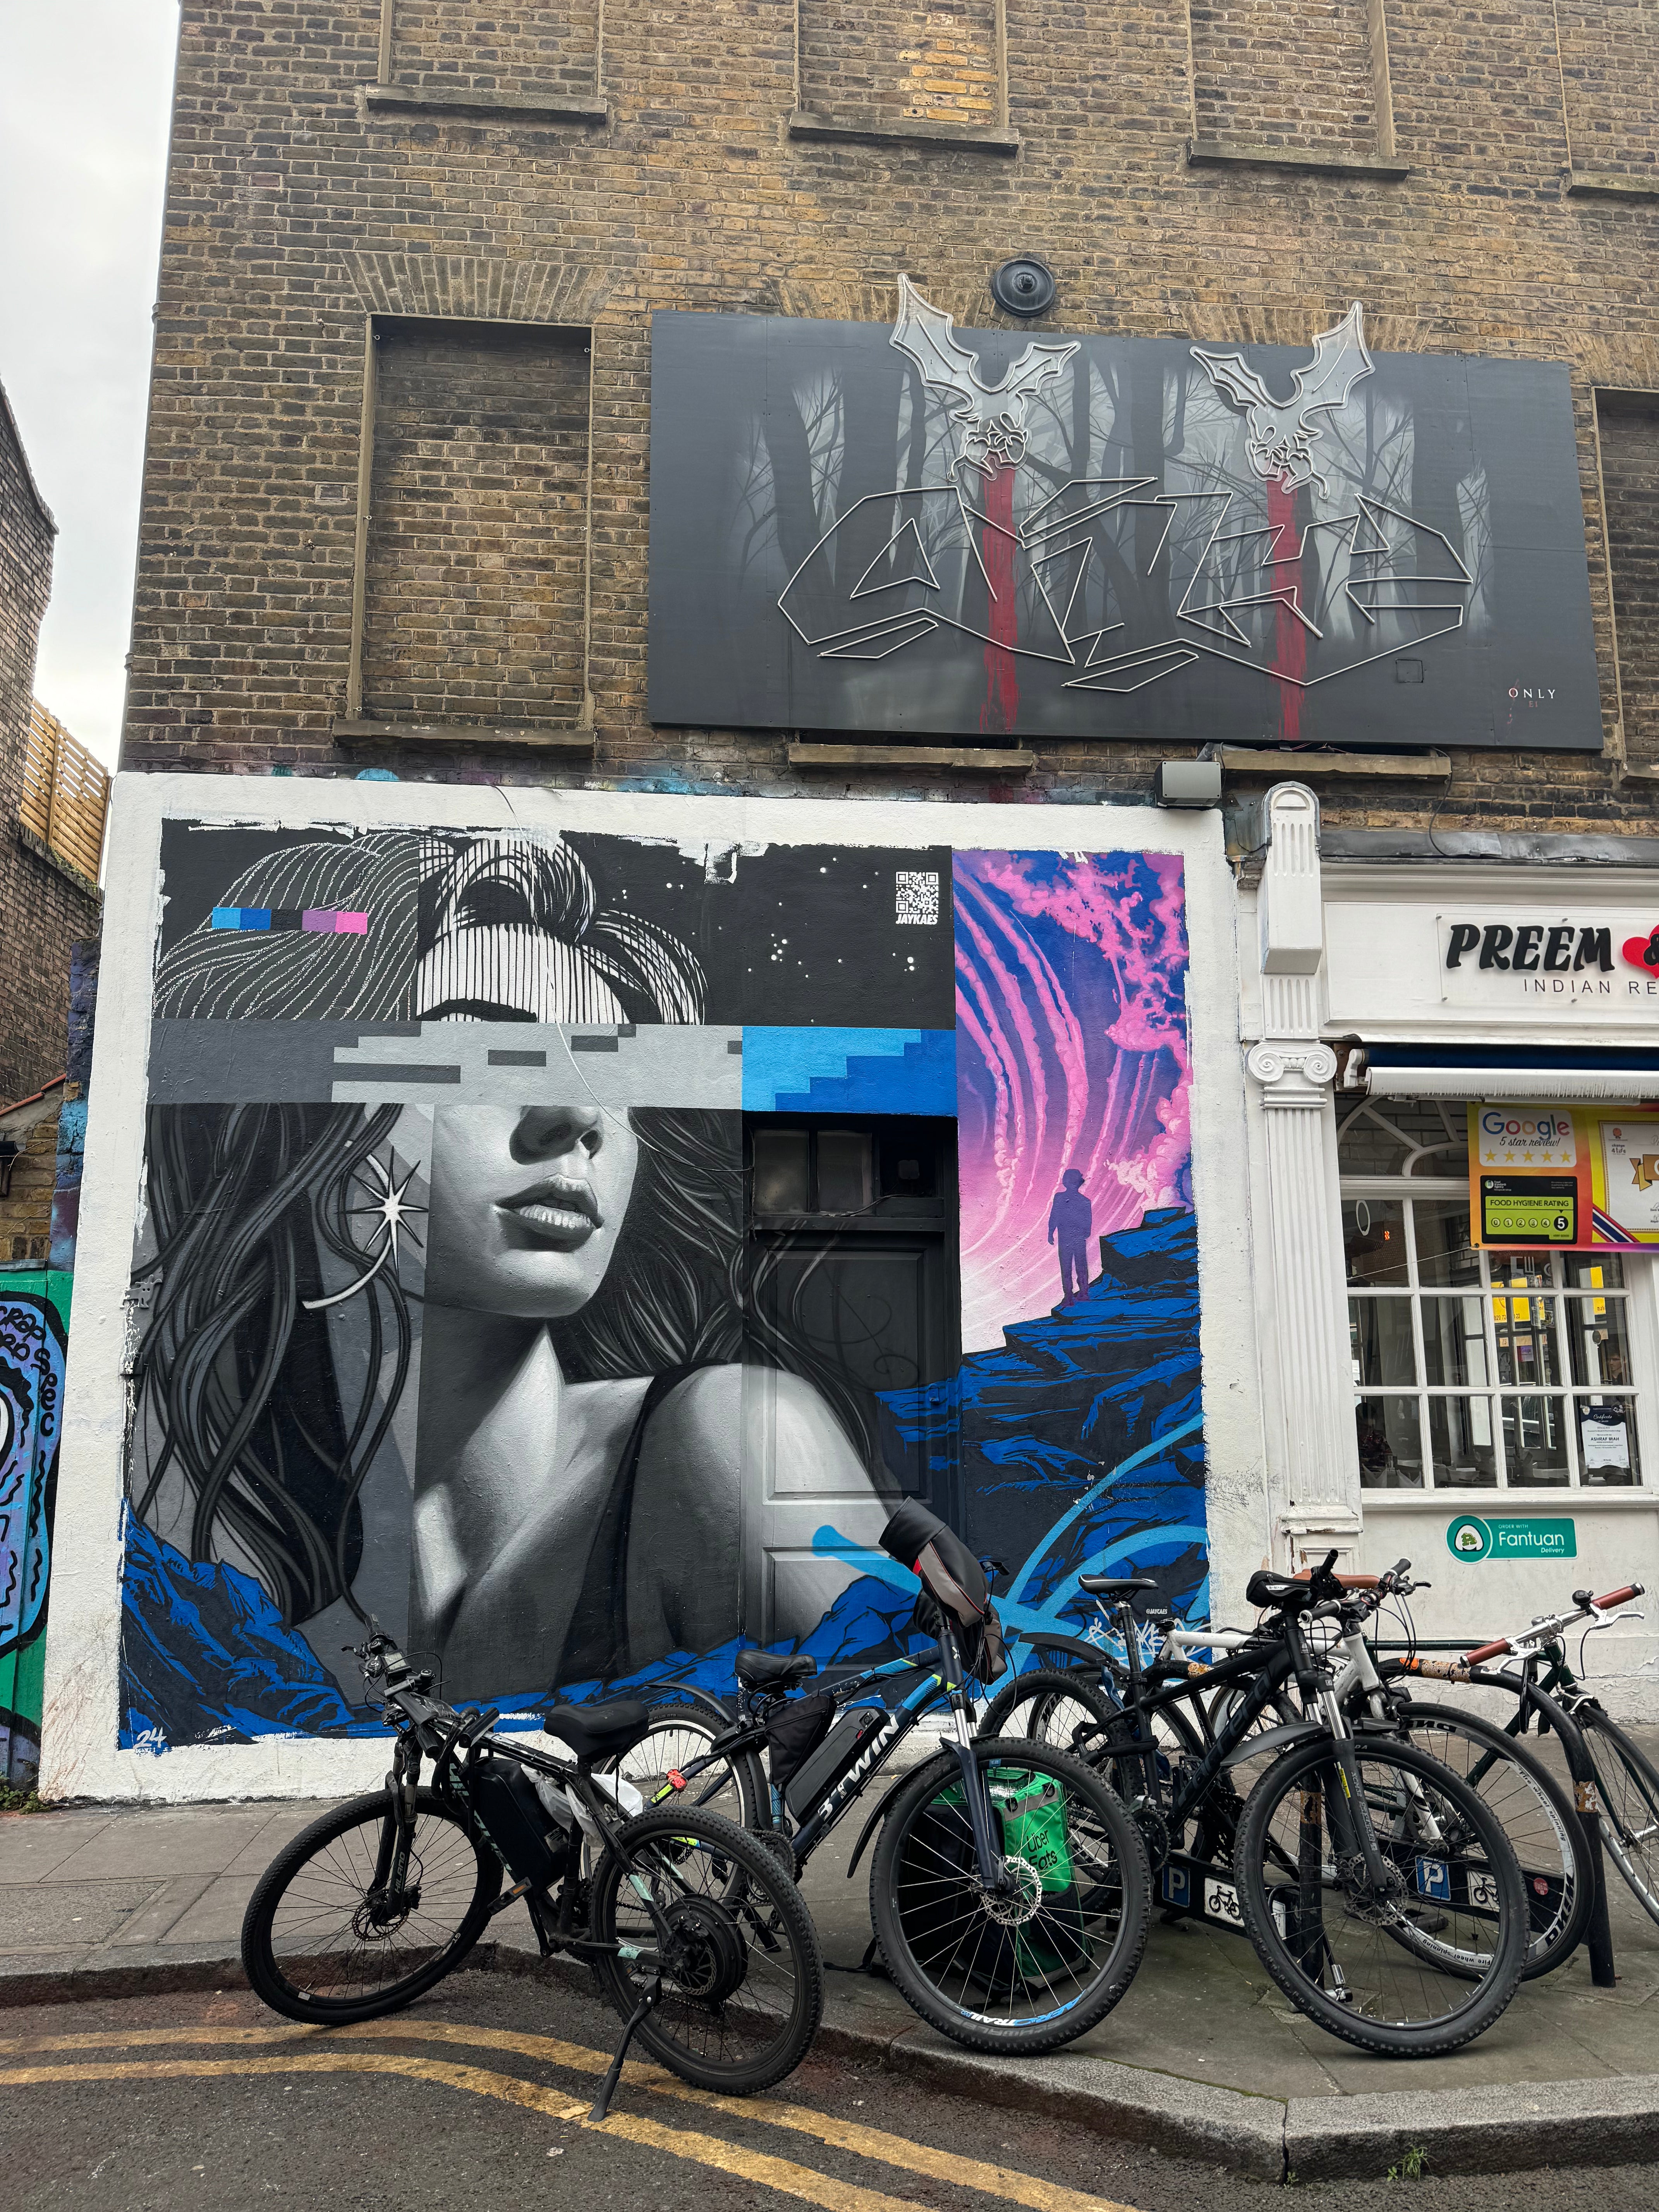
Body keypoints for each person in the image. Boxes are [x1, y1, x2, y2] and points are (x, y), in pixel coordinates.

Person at [1048, 1167, 1092, 1307]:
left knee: (1067, 1267)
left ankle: (1069, 1296)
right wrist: (1085, 1233)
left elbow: (1054, 1216)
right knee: (1081, 1265)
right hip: (1078, 1238)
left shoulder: (1060, 1198)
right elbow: (1088, 1223)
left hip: (1066, 1238)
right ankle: (1083, 1293)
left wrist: (1051, 1232)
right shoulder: (1085, 1201)